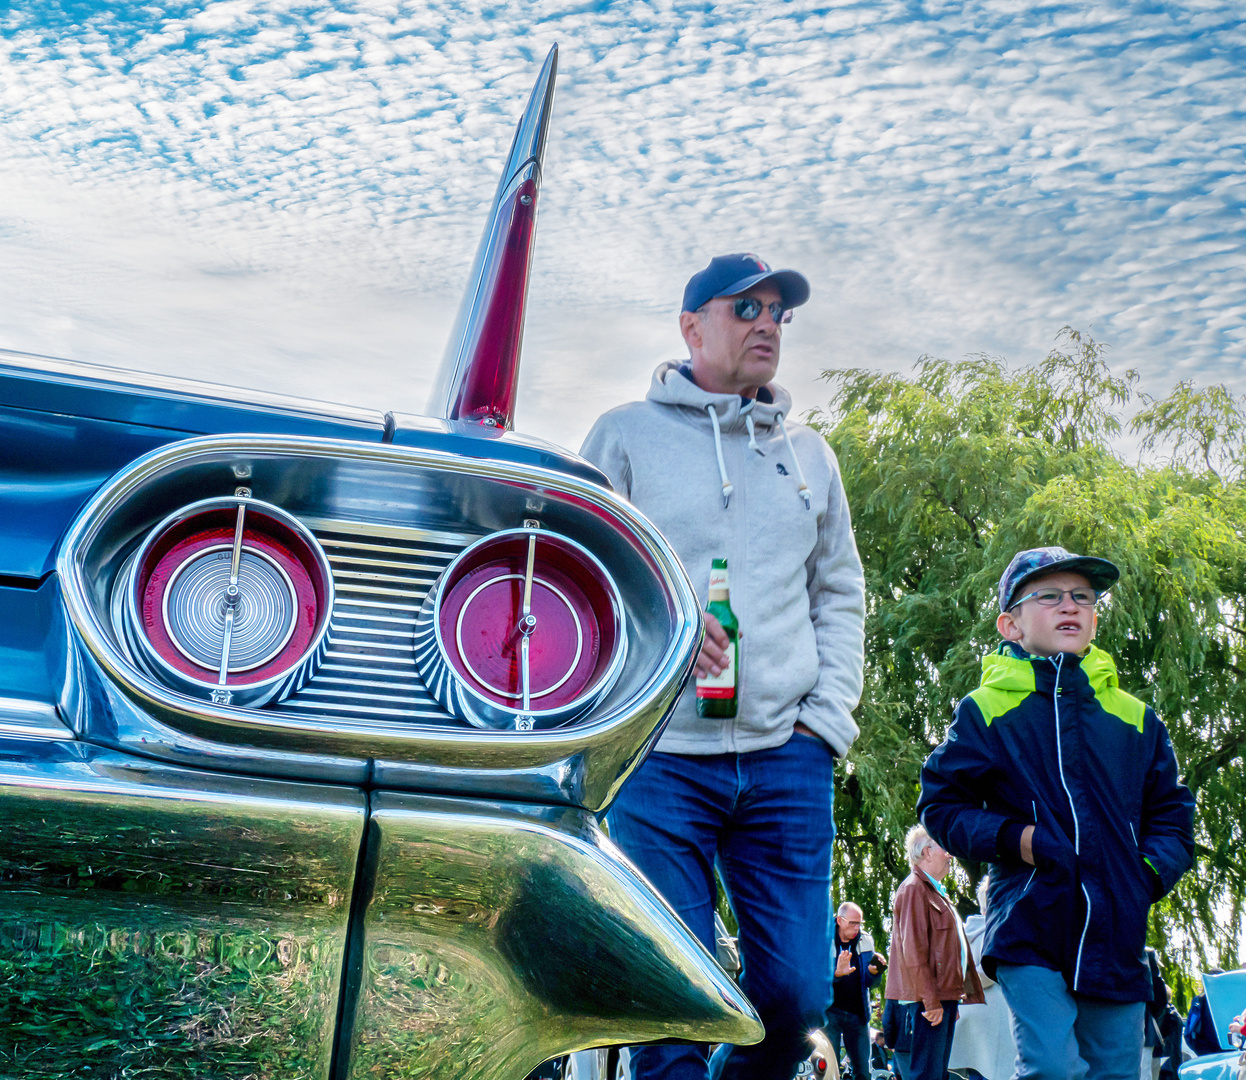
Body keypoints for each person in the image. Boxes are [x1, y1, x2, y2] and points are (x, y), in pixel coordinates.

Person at [581, 253, 867, 1080]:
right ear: (691, 326)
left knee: (796, 1001)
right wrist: (667, 626)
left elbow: (840, 589)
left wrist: (825, 723)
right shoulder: (624, 435)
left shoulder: (810, 454)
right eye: (746, 308)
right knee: (668, 998)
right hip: (659, 760)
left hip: (788, 758)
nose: (768, 323)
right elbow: (585, 575)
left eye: (780, 311)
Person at [918, 546, 1197, 1080]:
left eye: (1082, 597)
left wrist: (1145, 875)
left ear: (1093, 616)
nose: (1068, 605)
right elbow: (941, 804)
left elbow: (1173, 815)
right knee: (1050, 1066)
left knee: (1116, 1070)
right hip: (1029, 920)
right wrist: (1018, 839)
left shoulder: (1136, 718)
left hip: (1116, 930)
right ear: (1011, 624)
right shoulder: (987, 710)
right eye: (1047, 596)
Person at [885, 825, 984, 1080]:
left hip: (942, 998)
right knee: (927, 1074)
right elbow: (913, 951)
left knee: (936, 1073)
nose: (950, 854)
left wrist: (952, 996)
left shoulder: (936, 892)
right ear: (927, 852)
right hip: (929, 1000)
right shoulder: (914, 889)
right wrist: (932, 1001)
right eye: (944, 847)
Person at [947, 876, 1015, 1080]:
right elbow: (987, 972)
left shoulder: (965, 933)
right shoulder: (1001, 931)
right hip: (994, 1021)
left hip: (972, 1022)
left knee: (978, 1074)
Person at [826, 901, 886, 1079]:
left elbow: (871, 983)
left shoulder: (865, 939)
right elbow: (813, 978)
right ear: (839, 920)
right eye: (852, 923)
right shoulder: (823, 939)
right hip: (830, 1014)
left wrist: (874, 973)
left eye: (859, 923)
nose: (856, 927)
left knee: (863, 1072)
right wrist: (836, 973)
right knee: (830, 1070)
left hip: (858, 1015)